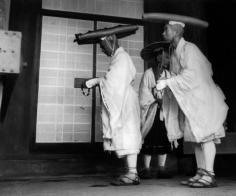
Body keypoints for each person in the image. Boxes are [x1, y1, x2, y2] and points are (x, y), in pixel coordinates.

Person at [155, 20, 228, 188]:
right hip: (192, 101)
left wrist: (168, 82)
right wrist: (166, 83)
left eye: (165, 30)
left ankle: (210, 175)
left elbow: (192, 75)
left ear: (175, 32)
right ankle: (201, 172)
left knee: (206, 136)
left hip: (203, 100)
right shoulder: (174, 53)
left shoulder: (190, 49)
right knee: (196, 138)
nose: (162, 33)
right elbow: (176, 77)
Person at [75, 25, 142, 186]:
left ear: (111, 41)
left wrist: (98, 81)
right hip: (123, 99)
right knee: (125, 135)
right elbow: (112, 82)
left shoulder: (122, 57)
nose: (103, 50)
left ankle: (133, 173)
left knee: (129, 135)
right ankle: (131, 172)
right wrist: (99, 81)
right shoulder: (118, 57)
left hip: (125, 101)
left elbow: (113, 82)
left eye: (103, 46)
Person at [139, 42, 173, 179]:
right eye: (164, 57)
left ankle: (161, 169)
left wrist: (165, 99)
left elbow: (171, 91)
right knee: (149, 139)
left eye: (167, 57)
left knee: (163, 138)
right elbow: (142, 92)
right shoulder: (148, 73)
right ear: (158, 57)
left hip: (163, 111)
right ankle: (146, 169)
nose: (167, 60)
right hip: (151, 111)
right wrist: (155, 98)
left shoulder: (167, 74)